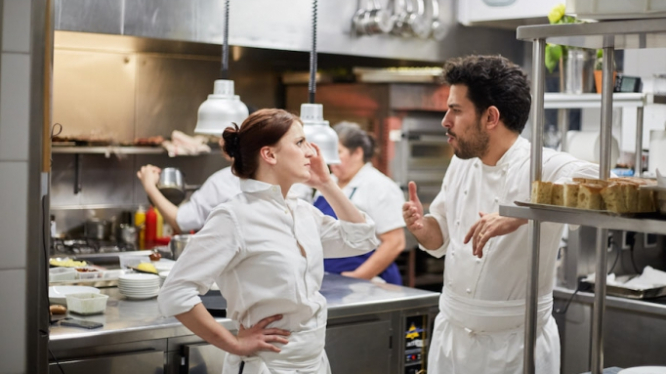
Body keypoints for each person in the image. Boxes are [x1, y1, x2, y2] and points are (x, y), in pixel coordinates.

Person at [402, 55, 598, 374]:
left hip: (514, 348)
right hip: (451, 340)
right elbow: (440, 238)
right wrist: (422, 228)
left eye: (455, 110)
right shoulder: (461, 161)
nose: (445, 121)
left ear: (490, 117)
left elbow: (602, 179)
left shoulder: (540, 164)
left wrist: (521, 214)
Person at [158, 108, 379, 374]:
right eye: (300, 143)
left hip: (314, 363)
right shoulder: (234, 217)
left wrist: (326, 183)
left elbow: (362, 240)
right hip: (266, 366)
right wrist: (234, 344)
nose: (311, 152)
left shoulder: (301, 211)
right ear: (269, 154)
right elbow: (175, 293)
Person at [312, 122, 406, 284]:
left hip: (368, 283)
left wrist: (358, 276)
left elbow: (395, 242)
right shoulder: (327, 182)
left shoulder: (379, 186)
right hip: (328, 279)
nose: (331, 160)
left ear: (357, 153)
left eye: (338, 152)